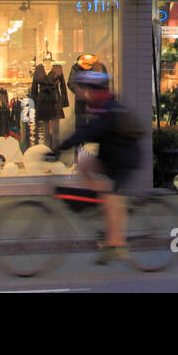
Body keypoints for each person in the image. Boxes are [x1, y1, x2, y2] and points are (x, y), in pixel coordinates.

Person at [50, 69, 143, 265]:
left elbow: (90, 131)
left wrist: (60, 147)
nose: (81, 93)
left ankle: (117, 244)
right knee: (83, 163)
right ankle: (106, 201)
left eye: (83, 89)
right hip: (111, 156)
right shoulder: (99, 104)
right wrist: (63, 145)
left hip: (125, 160)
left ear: (92, 89)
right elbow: (84, 130)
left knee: (111, 197)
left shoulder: (107, 106)